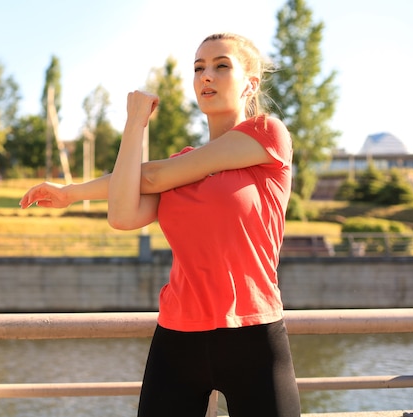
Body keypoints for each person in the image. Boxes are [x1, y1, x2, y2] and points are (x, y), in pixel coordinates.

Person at [20, 32, 301, 417]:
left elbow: (149, 177)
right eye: (199, 67)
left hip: (252, 333)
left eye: (221, 66)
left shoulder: (267, 135)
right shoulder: (179, 165)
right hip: (178, 337)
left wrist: (78, 190)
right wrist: (135, 124)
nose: (206, 76)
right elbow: (122, 213)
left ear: (250, 83)